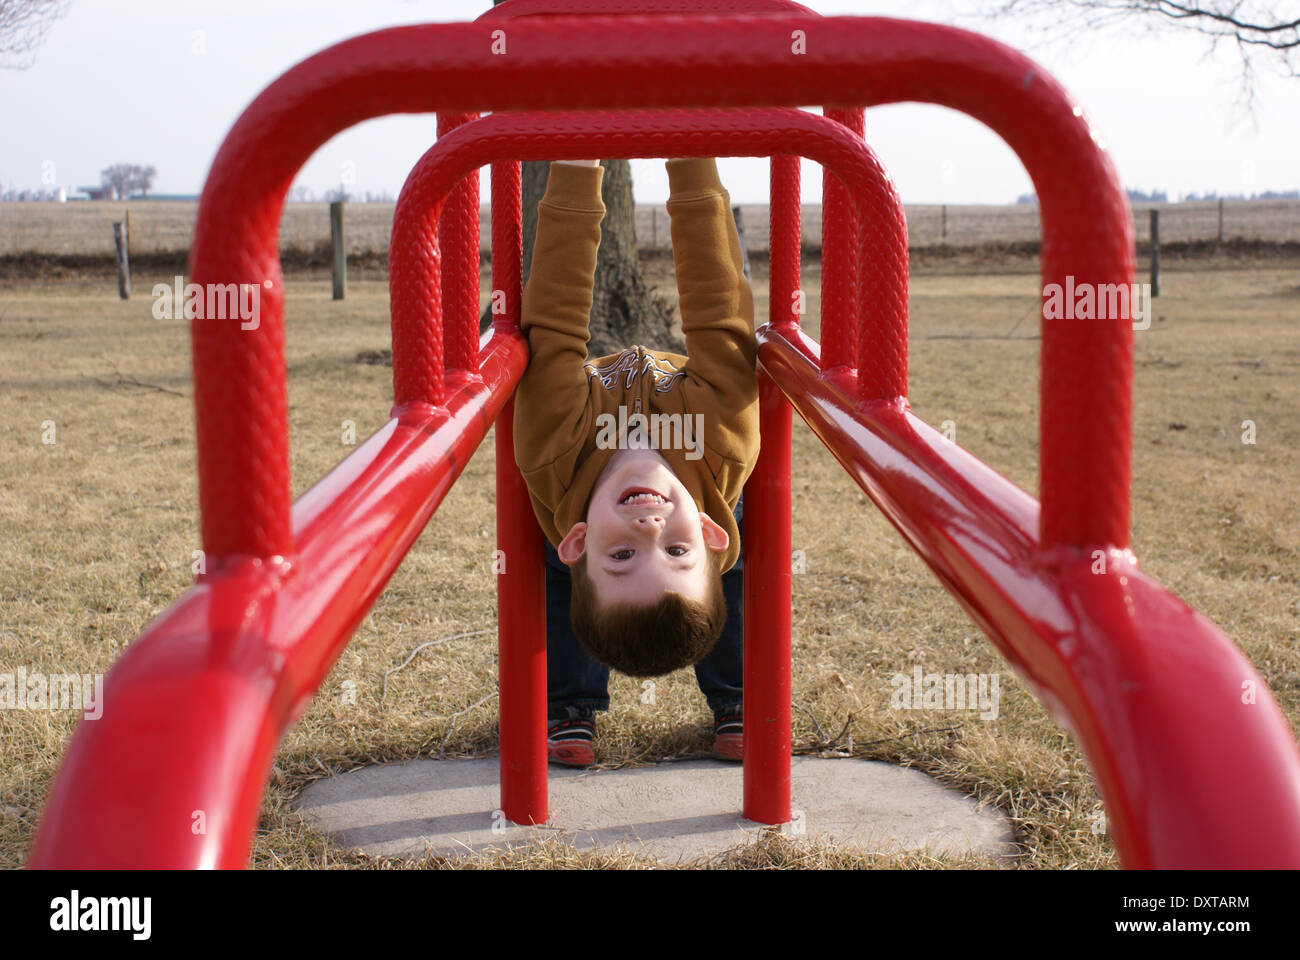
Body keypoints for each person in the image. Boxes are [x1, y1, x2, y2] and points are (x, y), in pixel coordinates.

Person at [513, 156, 758, 767]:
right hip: (697, 475)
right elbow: (717, 310)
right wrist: (690, 157)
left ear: (583, 541)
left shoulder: (553, 443)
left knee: (562, 577)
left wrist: (574, 164)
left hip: (576, 495)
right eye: (677, 549)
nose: (650, 534)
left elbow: (556, 314)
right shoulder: (723, 438)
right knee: (719, 578)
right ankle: (740, 699)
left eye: (624, 555)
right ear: (706, 531)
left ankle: (568, 706)